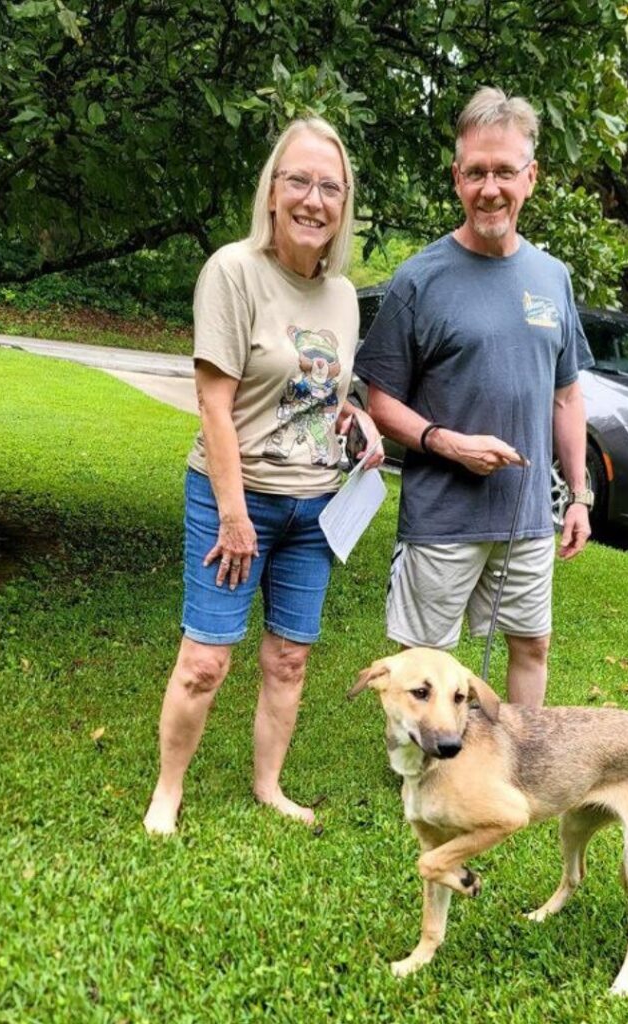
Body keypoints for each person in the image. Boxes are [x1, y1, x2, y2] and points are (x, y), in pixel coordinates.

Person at [144, 117, 382, 835]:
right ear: (273, 192)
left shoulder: (341, 294)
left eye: (330, 187)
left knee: (289, 660)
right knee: (206, 660)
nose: (314, 199)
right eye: (299, 181)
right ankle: (168, 791)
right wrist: (232, 511)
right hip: (234, 496)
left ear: (344, 204)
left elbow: (324, 394)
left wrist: (357, 421)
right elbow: (214, 404)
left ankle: (269, 786)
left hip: (313, 510)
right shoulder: (232, 271)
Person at [353, 87, 593, 708]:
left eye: (505, 171)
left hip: (527, 515)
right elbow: (380, 401)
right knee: (426, 663)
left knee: (530, 645)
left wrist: (579, 495)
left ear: (530, 177)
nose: (491, 187)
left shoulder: (553, 277)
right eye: (477, 172)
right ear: (457, 178)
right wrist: (446, 443)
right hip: (442, 517)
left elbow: (567, 398)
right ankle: (416, 769)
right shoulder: (419, 280)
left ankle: (516, 767)